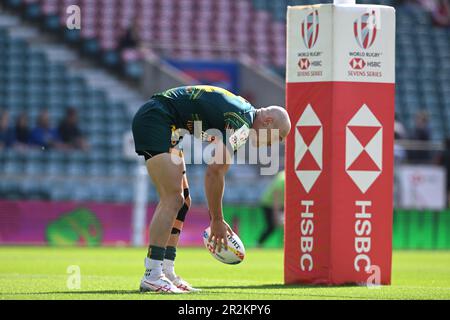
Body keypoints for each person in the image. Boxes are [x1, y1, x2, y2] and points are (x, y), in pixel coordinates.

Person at [132, 85, 291, 293]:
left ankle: (167, 270)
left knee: (182, 201)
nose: (274, 144)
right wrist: (216, 220)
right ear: (268, 122)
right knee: (173, 199)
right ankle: (152, 274)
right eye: (278, 137)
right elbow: (214, 172)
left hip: (166, 122)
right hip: (157, 118)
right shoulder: (242, 123)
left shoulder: (243, 114)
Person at [257, 170, 285, 247]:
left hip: (281, 204)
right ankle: (258, 243)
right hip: (269, 204)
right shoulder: (283, 179)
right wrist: (276, 214)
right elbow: (276, 195)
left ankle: (285, 244)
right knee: (272, 226)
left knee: (282, 226)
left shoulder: (283, 175)